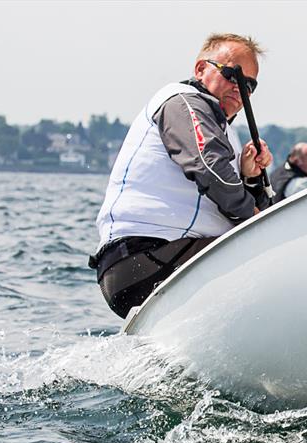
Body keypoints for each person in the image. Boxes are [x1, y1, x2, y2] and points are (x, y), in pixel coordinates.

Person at [90, 33, 273, 318]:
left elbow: (233, 193)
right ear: (201, 69)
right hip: (144, 257)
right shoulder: (183, 102)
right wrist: (257, 216)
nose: (240, 89)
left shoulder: (225, 131)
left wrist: (250, 178)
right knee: (271, 255)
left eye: (249, 85)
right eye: (232, 75)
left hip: (171, 258)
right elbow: (210, 170)